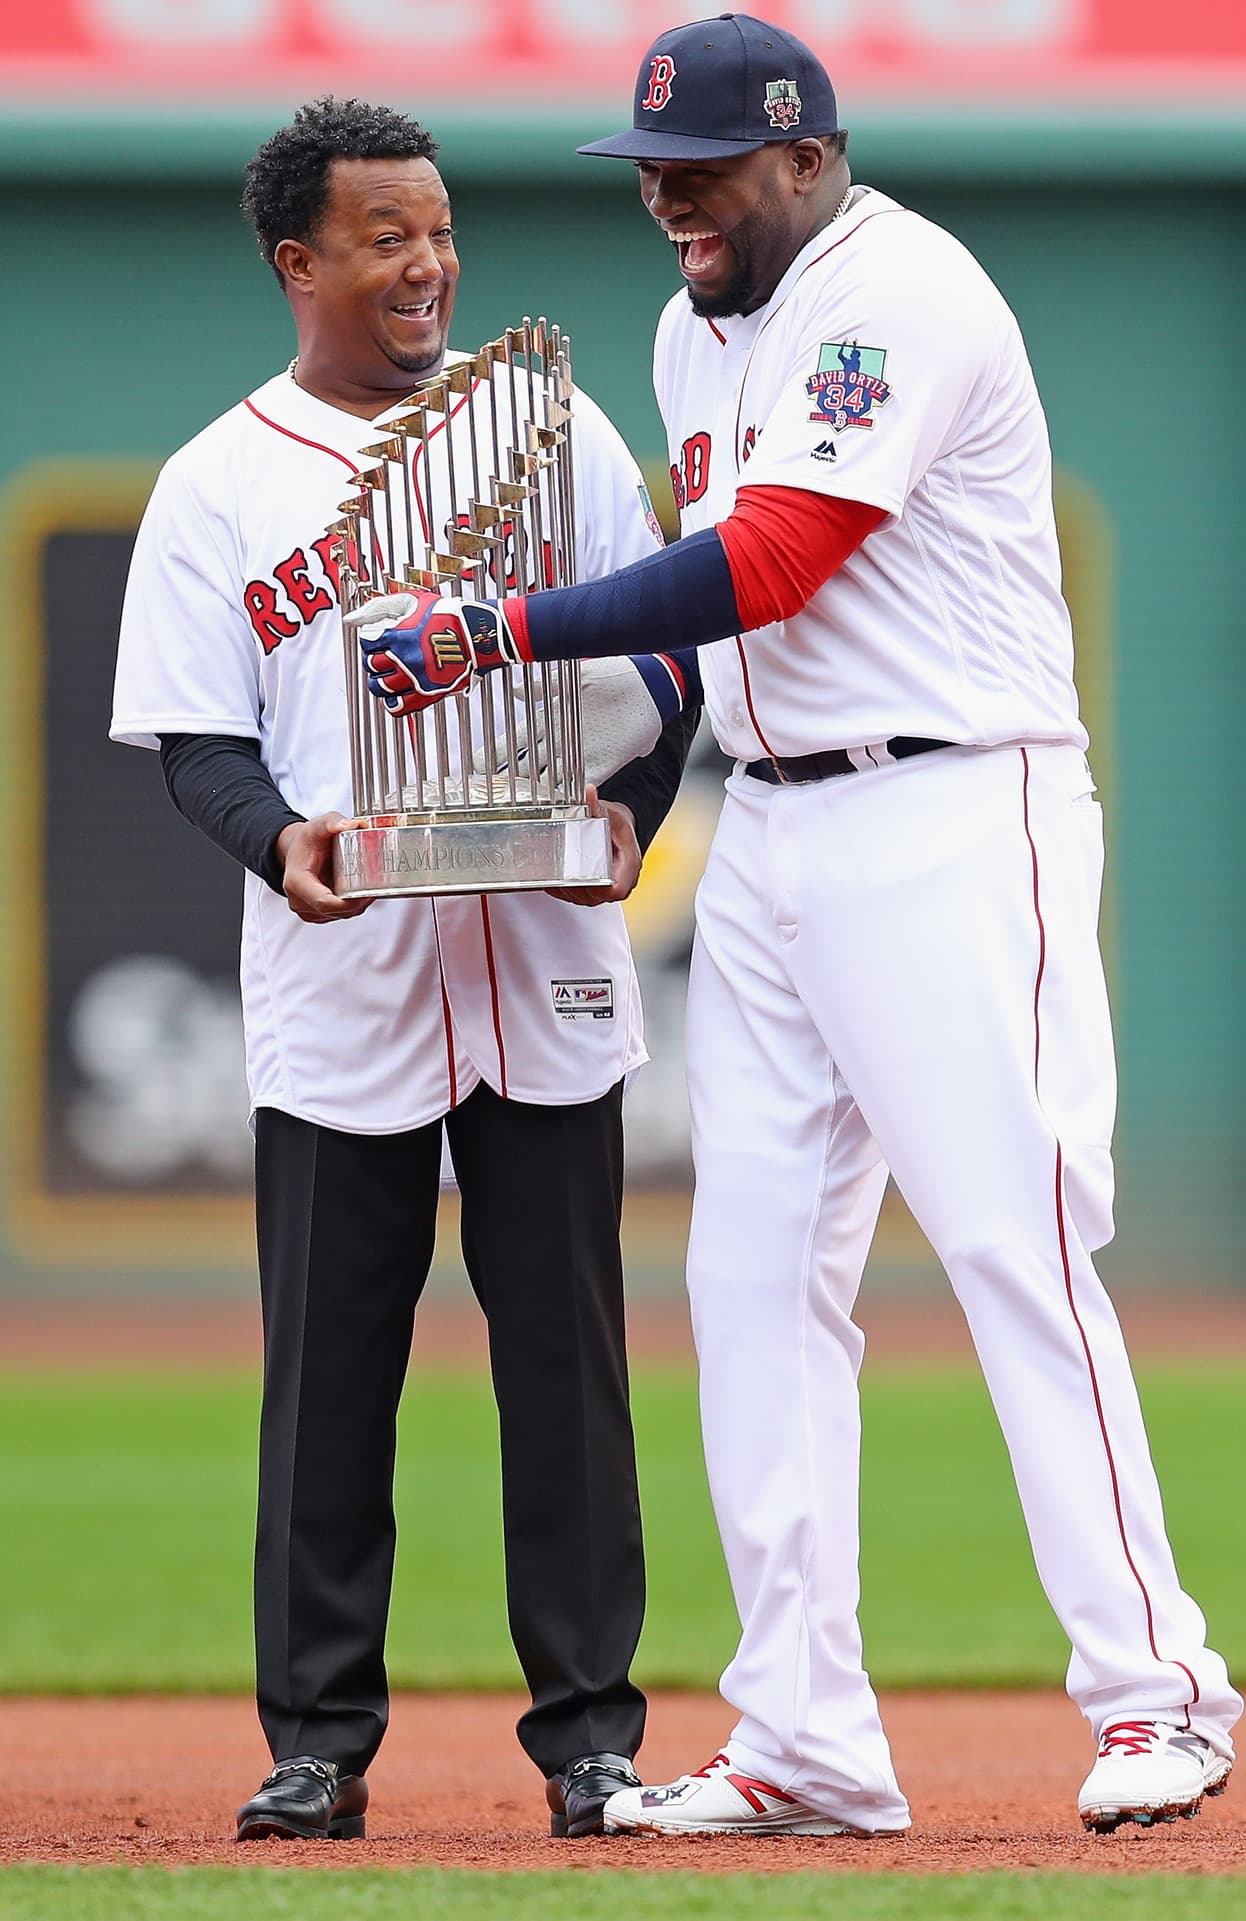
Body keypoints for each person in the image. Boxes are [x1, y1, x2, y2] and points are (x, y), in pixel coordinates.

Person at [349, 16, 1242, 1840]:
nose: (670, 200)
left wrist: (500, 632)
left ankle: (1159, 1689)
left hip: (948, 801)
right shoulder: (694, 329)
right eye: (649, 173)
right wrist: (640, 790)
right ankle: (804, 1735)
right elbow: (721, 626)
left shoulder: (896, 291)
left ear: (808, 159)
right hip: (768, 821)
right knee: (750, 1276)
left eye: (704, 172)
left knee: (1013, 1240)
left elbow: (772, 562)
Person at [110, 96, 701, 1844]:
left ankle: (591, 1740)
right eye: (387, 236)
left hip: (541, 956)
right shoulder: (219, 479)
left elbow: (668, 659)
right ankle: (317, 1741)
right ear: (300, 262)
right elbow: (198, 740)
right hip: (344, 970)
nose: (429, 261)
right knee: (329, 1377)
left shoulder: (554, 428)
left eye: (439, 229)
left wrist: (631, 810)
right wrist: (276, 841)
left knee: (568, 1375)